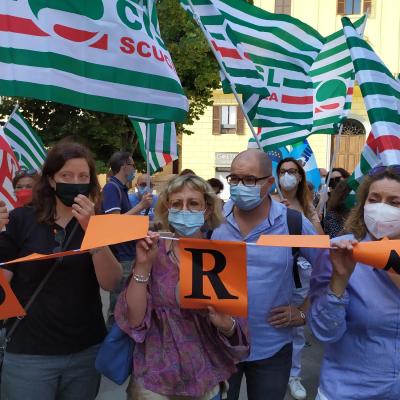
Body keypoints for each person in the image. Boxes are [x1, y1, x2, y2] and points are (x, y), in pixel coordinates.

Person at [0, 141, 122, 400]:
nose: (75, 182)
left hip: (85, 351)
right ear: (52, 180)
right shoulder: (22, 220)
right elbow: (3, 284)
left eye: (83, 176)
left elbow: (111, 283)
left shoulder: (99, 221)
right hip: (29, 353)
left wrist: (93, 232)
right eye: (66, 176)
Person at [115, 174, 249, 399]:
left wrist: (225, 324)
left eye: (193, 203)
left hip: (206, 378)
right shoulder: (152, 251)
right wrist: (142, 266)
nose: (184, 209)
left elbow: (239, 330)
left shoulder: (222, 258)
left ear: (206, 210)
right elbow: (134, 320)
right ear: (168, 209)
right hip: (154, 382)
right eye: (176, 204)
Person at [211, 149, 330, 400]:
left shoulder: (292, 222)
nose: (241, 185)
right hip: (220, 345)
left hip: (272, 349)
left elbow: (328, 268)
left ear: (269, 182)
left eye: (250, 179)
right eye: (234, 178)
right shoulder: (216, 220)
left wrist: (303, 311)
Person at [309, 165, 400, 400]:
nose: (381, 209)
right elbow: (324, 333)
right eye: (374, 199)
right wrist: (339, 279)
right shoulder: (341, 251)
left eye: (394, 202)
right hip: (349, 390)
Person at [102, 151, 153, 327]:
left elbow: (126, 220)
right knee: (118, 307)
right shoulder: (111, 188)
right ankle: (112, 347)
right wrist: (141, 206)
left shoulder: (121, 189)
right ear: (124, 166)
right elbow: (115, 223)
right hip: (120, 255)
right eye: (132, 165)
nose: (134, 169)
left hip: (128, 253)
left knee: (126, 304)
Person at [274, 157, 323, 234]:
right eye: (282, 172)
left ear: (300, 177)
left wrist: (312, 216)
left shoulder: (307, 205)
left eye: (291, 171)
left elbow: (320, 237)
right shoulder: (268, 201)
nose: (286, 175)